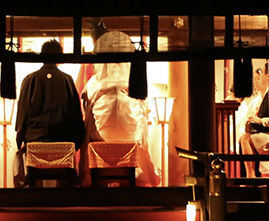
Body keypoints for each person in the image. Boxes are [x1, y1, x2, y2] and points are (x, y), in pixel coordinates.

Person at [81, 30, 160, 186]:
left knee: (90, 125)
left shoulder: (95, 83)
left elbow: (86, 107)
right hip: (130, 138)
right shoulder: (134, 84)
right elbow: (144, 109)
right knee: (140, 127)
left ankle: (95, 179)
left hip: (101, 138)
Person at [14, 39, 87, 186]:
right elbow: (75, 113)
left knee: (20, 156)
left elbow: (23, 111)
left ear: (41, 56)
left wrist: (20, 137)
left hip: (35, 139)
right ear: (60, 57)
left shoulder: (30, 79)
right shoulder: (67, 80)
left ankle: (30, 191)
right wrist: (78, 140)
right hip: (63, 138)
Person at [234, 62, 269, 176]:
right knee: (244, 137)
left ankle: (251, 174)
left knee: (246, 139)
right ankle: (251, 174)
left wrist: (259, 120)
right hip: (263, 130)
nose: (256, 81)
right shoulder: (264, 95)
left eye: (259, 76)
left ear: (267, 76)